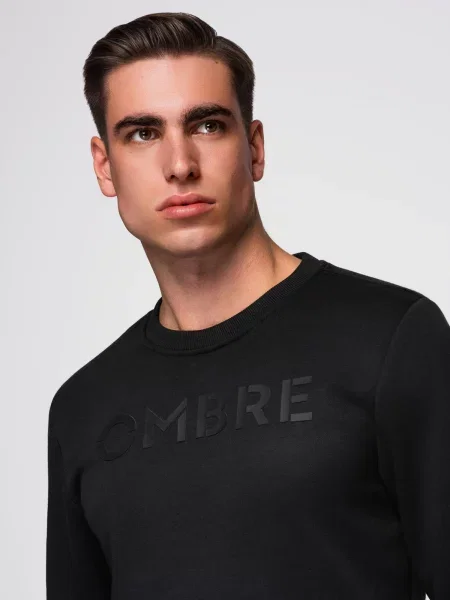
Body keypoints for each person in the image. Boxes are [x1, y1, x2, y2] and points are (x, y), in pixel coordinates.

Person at [46, 11, 450, 600]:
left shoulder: (391, 340)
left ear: (254, 149)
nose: (179, 165)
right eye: (143, 134)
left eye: (208, 126)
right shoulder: (83, 408)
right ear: (104, 167)